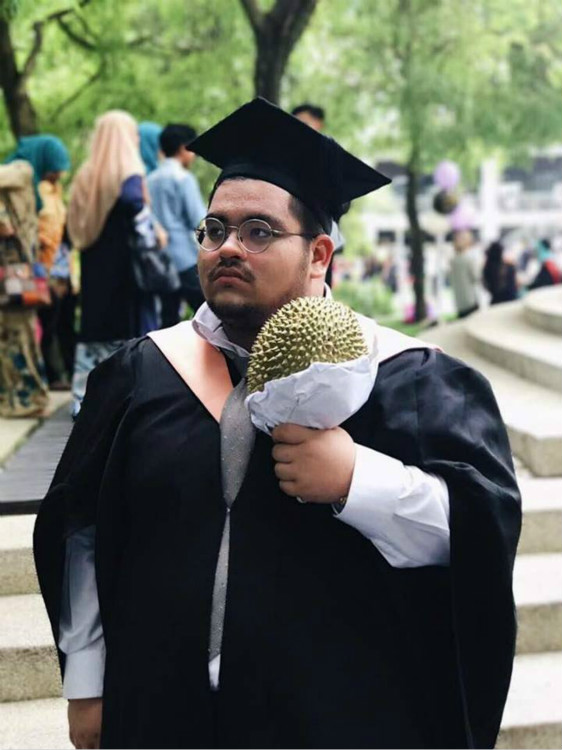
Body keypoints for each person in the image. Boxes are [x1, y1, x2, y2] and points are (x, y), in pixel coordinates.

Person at [35, 99, 521, 749]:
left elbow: (477, 537)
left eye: (259, 231)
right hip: (161, 713)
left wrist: (357, 480)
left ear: (319, 254)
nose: (228, 247)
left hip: (330, 721)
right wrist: (88, 686)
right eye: (215, 229)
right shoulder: (141, 374)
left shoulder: (413, 380)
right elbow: (86, 531)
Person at [66, 110, 155, 416]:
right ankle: (124, 398)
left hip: (93, 265)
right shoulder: (128, 171)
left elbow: (72, 223)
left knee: (93, 329)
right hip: (125, 269)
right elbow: (136, 209)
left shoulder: (85, 175)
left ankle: (81, 398)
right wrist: (155, 237)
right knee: (126, 330)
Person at [5, 135, 74, 388]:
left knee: (46, 323)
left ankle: (45, 378)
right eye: (54, 168)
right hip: (20, 267)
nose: (57, 174)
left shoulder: (47, 189)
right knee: (30, 325)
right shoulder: (18, 174)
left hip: (44, 267)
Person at [0, 161, 49, 416]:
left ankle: (28, 399)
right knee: (16, 336)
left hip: (14, 273)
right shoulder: (21, 177)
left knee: (18, 335)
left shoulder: (21, 171)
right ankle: (23, 398)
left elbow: (5, 227)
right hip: (18, 271)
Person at [147, 123, 206, 325]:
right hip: (184, 257)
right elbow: (198, 219)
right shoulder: (183, 178)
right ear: (183, 148)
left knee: (168, 317)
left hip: (159, 258)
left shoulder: (150, 179)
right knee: (208, 310)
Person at [291, 103, 344, 286]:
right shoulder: (286, 155)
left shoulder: (330, 155)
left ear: (318, 124)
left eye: (305, 122)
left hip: (322, 232)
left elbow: (343, 203)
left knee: (318, 285)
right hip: (290, 231)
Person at [450, 229, 480, 318]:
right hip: (470, 299)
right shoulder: (469, 260)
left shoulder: (452, 261)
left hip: (459, 300)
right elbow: (475, 278)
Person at [482, 240, 518, 305]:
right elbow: (515, 285)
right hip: (510, 301)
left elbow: (486, 286)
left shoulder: (487, 269)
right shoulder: (508, 267)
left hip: (496, 303)